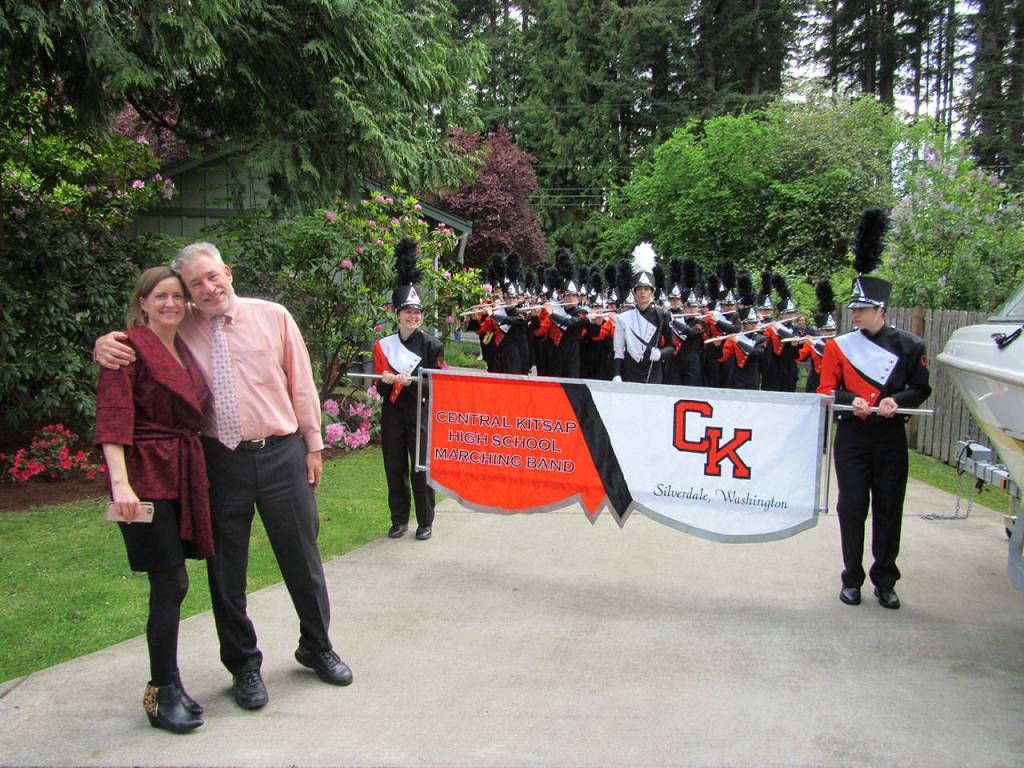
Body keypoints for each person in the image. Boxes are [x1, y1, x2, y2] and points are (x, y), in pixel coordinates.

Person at [94, 241, 351, 710]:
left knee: (302, 560)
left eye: (212, 276)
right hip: (218, 462)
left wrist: (313, 445)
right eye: (195, 283)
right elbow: (140, 338)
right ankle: (244, 666)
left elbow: (302, 382)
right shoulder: (182, 323)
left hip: (281, 454)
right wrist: (105, 343)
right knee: (226, 572)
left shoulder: (273, 315)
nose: (206, 288)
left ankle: (317, 645)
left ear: (228, 272)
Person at [95, 266, 213, 733]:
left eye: (178, 297)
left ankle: (171, 681)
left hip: (182, 470)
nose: (171, 304)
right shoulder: (126, 347)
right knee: (170, 585)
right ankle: (160, 692)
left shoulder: (183, 348)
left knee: (175, 584)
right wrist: (120, 484)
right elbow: (114, 417)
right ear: (142, 302)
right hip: (145, 477)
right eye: (160, 296)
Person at [817, 209, 931, 610]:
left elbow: (921, 389)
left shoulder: (909, 346)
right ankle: (851, 577)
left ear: (882, 309)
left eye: (863, 310)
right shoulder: (838, 347)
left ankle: (885, 578)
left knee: (888, 508)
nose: (855, 315)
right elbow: (826, 389)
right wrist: (854, 402)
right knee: (851, 507)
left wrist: (893, 402)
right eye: (854, 310)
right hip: (851, 435)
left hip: (888, 436)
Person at [374, 238, 447, 541]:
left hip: (419, 412)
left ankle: (425, 521)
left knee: (420, 469)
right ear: (397, 314)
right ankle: (398, 520)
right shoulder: (384, 345)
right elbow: (379, 385)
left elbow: (439, 383)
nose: (412, 317)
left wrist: (414, 382)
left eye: (417, 313)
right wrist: (386, 382)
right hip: (392, 413)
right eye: (407, 312)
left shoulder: (432, 345)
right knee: (394, 467)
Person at [612, 243, 673, 384]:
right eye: (639, 289)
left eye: (646, 288)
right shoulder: (623, 318)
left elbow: (671, 346)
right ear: (635, 292)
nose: (643, 292)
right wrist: (616, 374)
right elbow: (619, 350)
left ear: (652, 292)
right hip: (629, 372)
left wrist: (660, 354)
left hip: (653, 372)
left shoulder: (662, 315)